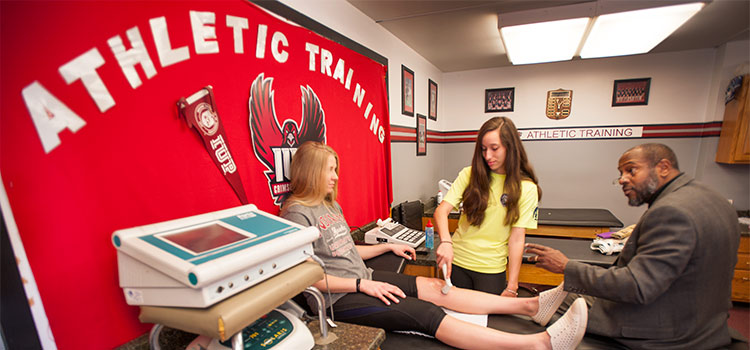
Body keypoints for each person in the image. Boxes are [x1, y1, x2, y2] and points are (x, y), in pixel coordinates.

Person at [281, 141, 587, 350]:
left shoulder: (328, 205)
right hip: (338, 299)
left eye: (336, 168)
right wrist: (361, 285)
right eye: (330, 170)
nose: (336, 176)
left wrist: (386, 248)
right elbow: (307, 277)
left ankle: (531, 306)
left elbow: (345, 250)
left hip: (362, 279)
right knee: (426, 313)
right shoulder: (296, 211)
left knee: (434, 286)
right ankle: (538, 343)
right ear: (311, 171)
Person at [525, 143, 741, 349]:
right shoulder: (714, 199)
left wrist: (566, 266)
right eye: (620, 173)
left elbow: (637, 287)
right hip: (703, 318)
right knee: (564, 297)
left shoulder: (671, 212)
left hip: (665, 331)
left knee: (560, 309)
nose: (622, 180)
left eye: (631, 171)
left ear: (663, 167)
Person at [434, 116, 541, 296]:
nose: (487, 156)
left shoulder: (527, 189)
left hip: (490, 270)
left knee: (485, 322)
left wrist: (512, 286)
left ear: (511, 147)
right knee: (452, 319)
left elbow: (516, 239)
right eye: (483, 149)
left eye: (494, 148)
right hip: (456, 264)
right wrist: (445, 242)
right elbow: (441, 211)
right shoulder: (469, 174)